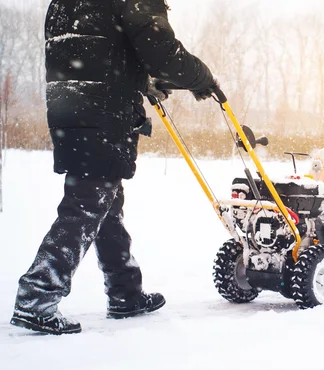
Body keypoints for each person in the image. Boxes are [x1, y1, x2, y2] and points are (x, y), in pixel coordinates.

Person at [9, 0, 219, 335]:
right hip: (103, 110)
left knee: (105, 199)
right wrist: (201, 77)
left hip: (70, 106)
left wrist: (140, 82)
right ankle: (38, 293)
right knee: (88, 202)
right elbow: (162, 52)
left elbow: (91, 49)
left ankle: (125, 292)